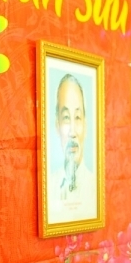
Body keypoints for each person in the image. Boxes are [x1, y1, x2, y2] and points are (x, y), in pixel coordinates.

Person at [47, 73, 96, 223]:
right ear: (57, 125)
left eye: (78, 118)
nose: (72, 132)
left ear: (85, 126)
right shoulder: (49, 187)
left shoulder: (96, 189)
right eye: (67, 118)